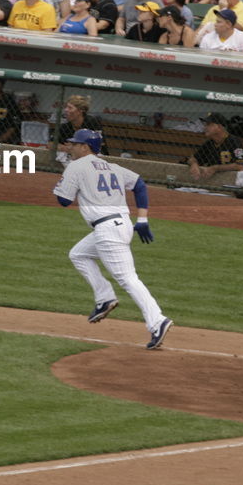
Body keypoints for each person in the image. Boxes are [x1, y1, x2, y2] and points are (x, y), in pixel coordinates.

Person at [54, 128, 172, 351]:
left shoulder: (76, 167)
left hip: (108, 230)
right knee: (78, 254)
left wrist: (64, 183)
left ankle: (157, 321)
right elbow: (139, 185)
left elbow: (63, 201)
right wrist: (143, 219)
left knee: (128, 279)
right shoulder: (113, 167)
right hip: (120, 225)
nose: (70, 147)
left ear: (85, 147)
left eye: (74, 144)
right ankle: (105, 298)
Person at [187, 112, 243, 181]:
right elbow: (193, 158)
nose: (205, 127)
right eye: (205, 125)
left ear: (219, 127)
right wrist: (194, 164)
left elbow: (240, 166)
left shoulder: (234, 141)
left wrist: (216, 168)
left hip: (231, 180)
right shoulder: (209, 143)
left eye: (208, 125)